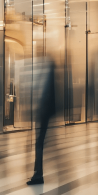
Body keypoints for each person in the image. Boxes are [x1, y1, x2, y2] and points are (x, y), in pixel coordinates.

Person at [27, 57, 56, 185]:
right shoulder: (48, 76)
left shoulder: (50, 77)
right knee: (41, 144)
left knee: (40, 144)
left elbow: (48, 99)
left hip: (45, 115)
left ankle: (38, 174)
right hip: (43, 114)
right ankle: (38, 173)